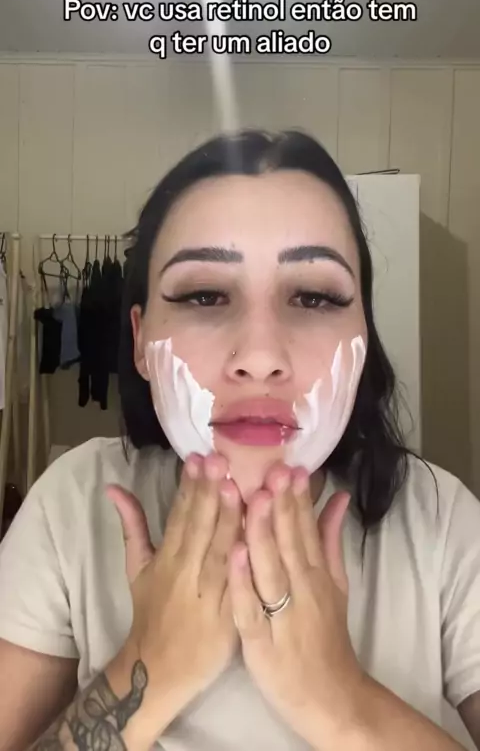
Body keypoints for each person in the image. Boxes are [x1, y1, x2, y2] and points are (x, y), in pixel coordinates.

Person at [0, 130, 479, 751]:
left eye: (314, 296)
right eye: (204, 295)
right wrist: (147, 671)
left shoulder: (443, 523)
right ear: (140, 342)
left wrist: (341, 701)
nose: (259, 355)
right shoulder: (71, 508)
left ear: (363, 338)